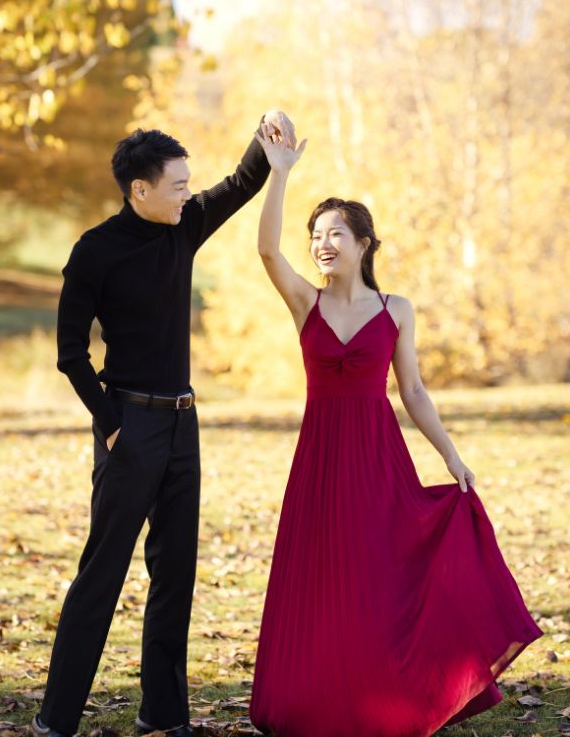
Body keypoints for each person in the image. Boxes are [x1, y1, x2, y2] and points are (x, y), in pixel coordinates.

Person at [247, 130, 543, 735]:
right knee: (324, 576)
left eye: (334, 234)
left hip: (379, 455)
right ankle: (320, 694)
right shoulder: (306, 302)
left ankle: (387, 690)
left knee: (380, 572)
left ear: (363, 243)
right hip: (322, 457)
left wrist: (452, 457)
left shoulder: (395, 310)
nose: (321, 245)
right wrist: (278, 172)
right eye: (316, 237)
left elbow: (412, 393)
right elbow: (268, 252)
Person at [31, 112, 296, 737]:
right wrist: (109, 422)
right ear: (139, 189)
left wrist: (265, 133)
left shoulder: (184, 226)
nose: (188, 193)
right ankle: (55, 719)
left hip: (183, 424)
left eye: (187, 183)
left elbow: (239, 182)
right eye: (177, 184)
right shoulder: (94, 251)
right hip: (131, 428)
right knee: (102, 574)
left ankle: (164, 714)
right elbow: (71, 351)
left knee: (175, 572)